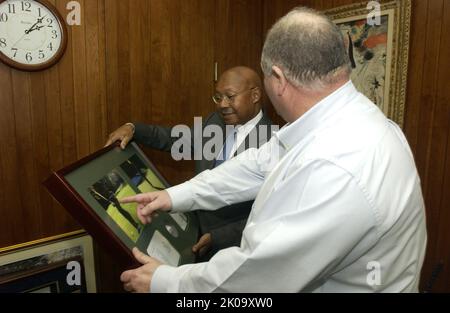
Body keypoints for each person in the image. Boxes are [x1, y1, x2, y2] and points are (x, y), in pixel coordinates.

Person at [119, 7, 427, 292]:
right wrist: (173, 197)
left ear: (276, 79)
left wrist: (164, 282)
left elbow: (255, 279)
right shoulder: (343, 121)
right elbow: (256, 165)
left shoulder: (335, 165)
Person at [106, 66, 275, 260]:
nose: (222, 105)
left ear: (255, 95)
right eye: (218, 98)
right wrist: (133, 129)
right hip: (191, 231)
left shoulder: (274, 142)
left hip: (234, 249)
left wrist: (219, 237)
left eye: (230, 96)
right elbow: (176, 140)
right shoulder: (216, 122)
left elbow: (270, 212)